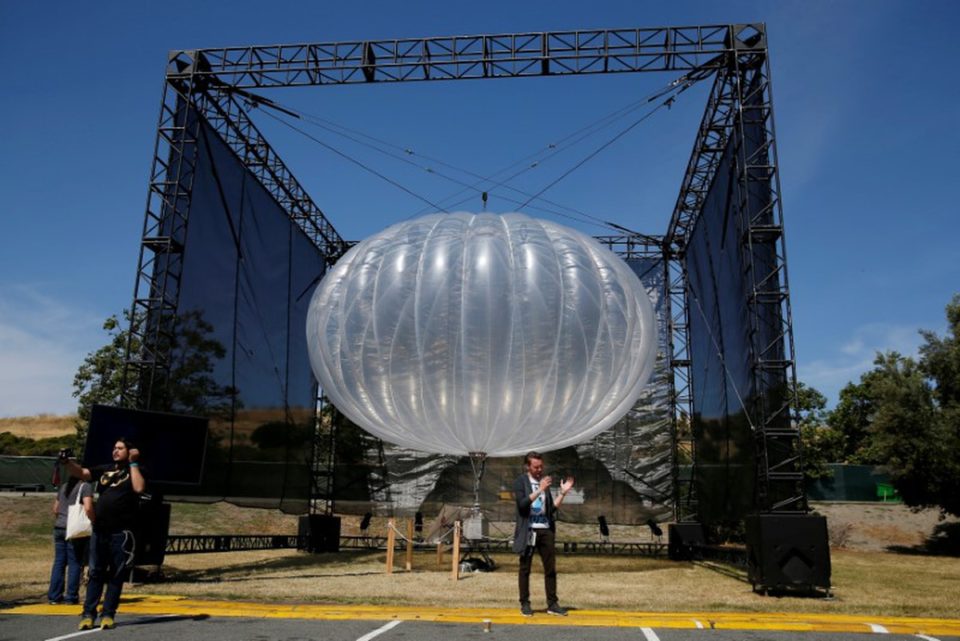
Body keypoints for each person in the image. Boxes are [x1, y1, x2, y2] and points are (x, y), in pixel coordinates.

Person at [61, 438, 146, 631]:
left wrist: (133, 462)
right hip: (100, 530)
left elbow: (139, 488)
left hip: (121, 532)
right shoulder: (105, 468)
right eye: (114, 447)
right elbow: (82, 473)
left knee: (116, 574)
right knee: (96, 572)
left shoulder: (137, 469)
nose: (115, 451)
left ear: (130, 451)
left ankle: (108, 614)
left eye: (120, 448)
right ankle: (88, 614)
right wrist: (66, 462)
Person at [512, 451, 574, 617]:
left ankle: (552, 604)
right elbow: (522, 505)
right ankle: (525, 603)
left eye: (541, 466)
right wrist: (539, 490)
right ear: (527, 466)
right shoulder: (521, 482)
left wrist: (562, 493)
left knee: (550, 568)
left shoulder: (544, 482)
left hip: (545, 529)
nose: (539, 470)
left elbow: (550, 509)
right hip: (529, 530)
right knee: (525, 568)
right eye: (536, 467)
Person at [47, 474, 94, 605]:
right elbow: (88, 507)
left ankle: (54, 595)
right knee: (75, 562)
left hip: (59, 527)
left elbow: (55, 509)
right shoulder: (85, 487)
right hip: (74, 530)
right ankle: (71, 596)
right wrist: (93, 520)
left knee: (59, 562)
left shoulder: (64, 487)